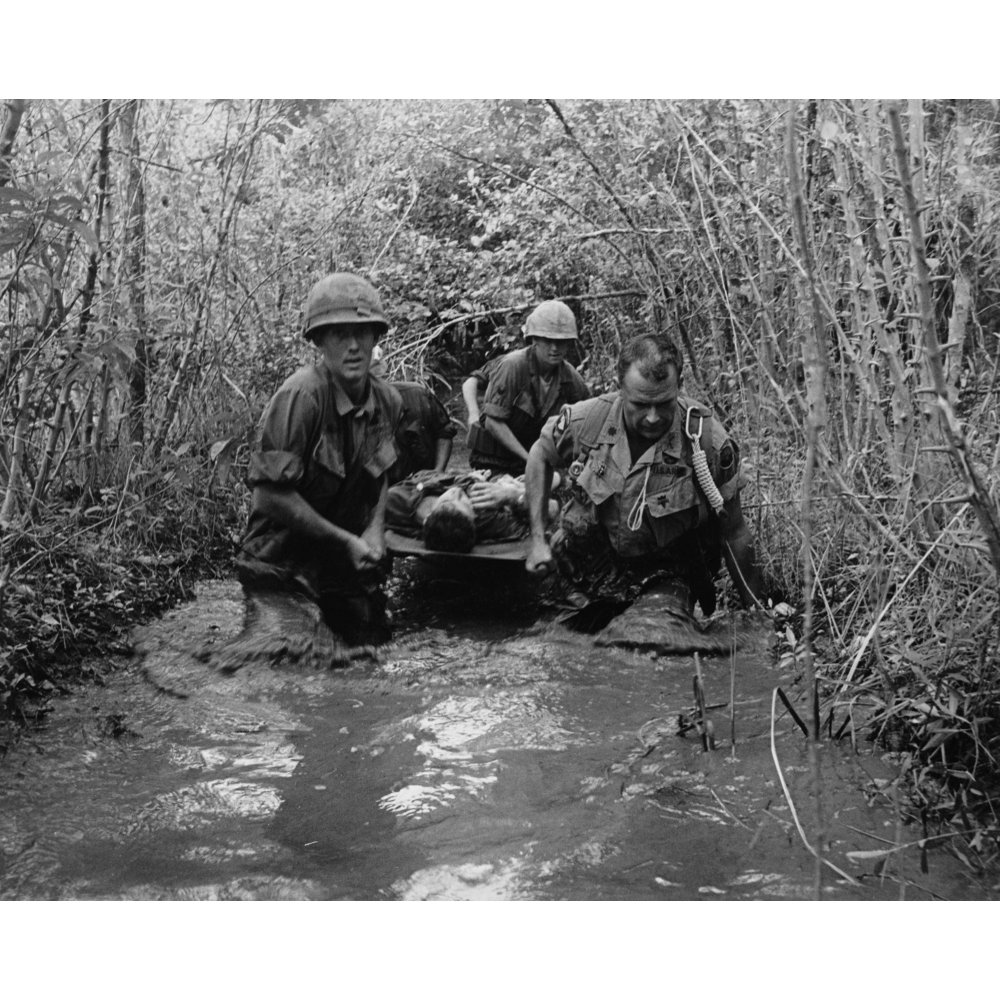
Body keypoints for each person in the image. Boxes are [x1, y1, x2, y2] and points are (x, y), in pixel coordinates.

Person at [524, 331, 764, 631]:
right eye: (640, 404)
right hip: (585, 567)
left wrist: (757, 612)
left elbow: (735, 532)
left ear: (679, 386)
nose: (652, 418)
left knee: (647, 639)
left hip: (663, 576)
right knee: (547, 635)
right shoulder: (586, 421)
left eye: (663, 403)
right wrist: (538, 541)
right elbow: (540, 454)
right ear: (619, 388)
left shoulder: (707, 443)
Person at [236, 272, 404, 647]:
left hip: (341, 566)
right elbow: (268, 496)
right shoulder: (301, 397)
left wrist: (374, 528)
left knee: (371, 646)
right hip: (280, 565)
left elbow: (381, 475)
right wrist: (344, 540)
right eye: (339, 335)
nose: (353, 346)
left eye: (362, 333)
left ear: (376, 338)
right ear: (319, 342)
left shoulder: (388, 401)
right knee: (296, 655)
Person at [468, 300, 590, 475]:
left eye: (561, 342)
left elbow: (590, 419)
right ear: (534, 340)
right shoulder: (513, 366)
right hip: (494, 461)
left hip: (532, 460)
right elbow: (493, 422)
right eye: (548, 340)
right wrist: (532, 461)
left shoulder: (570, 378)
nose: (555, 348)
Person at [386, 469, 538, 553]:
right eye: (464, 500)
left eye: (447, 502)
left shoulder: (395, 501)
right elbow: (543, 513)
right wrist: (515, 495)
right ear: (473, 515)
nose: (456, 492)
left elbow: (428, 475)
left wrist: (465, 478)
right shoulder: (483, 515)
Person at [371, 346, 456, 484]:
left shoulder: (417, 395)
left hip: (423, 484)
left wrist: (438, 471)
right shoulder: (350, 416)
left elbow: (444, 432)